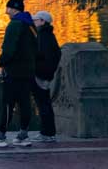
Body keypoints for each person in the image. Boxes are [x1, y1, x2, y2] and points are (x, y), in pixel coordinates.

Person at [0, 0, 37, 147]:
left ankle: (1, 134)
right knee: (25, 102)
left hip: (13, 71)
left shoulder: (14, 25)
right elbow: (36, 47)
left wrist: (2, 62)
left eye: (8, 9)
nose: (6, 13)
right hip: (28, 71)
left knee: (8, 102)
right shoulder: (30, 24)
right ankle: (23, 134)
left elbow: (9, 49)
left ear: (15, 9)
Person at [30, 10, 61, 143]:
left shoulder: (43, 36)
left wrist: (38, 70)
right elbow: (57, 54)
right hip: (46, 74)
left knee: (43, 104)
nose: (34, 22)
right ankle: (47, 132)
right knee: (44, 103)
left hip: (41, 75)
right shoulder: (48, 35)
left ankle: (47, 133)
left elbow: (43, 56)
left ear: (43, 21)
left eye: (36, 20)